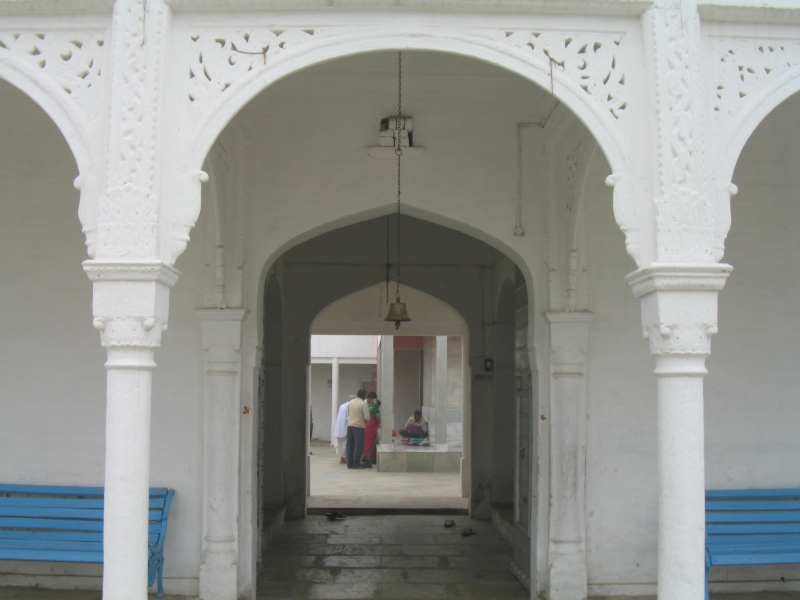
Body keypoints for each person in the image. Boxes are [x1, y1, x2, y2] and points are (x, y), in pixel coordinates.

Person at [346, 389, 370, 469]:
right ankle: (356, 463)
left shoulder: (351, 402)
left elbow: (349, 413)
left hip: (350, 426)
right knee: (358, 446)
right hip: (359, 426)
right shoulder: (363, 404)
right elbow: (367, 417)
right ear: (364, 395)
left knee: (350, 446)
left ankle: (350, 464)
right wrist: (365, 421)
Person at [360, 392, 381, 468]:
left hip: (365, 427)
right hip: (372, 429)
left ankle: (363, 458)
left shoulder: (367, 407)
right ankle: (370, 459)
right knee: (371, 443)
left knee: (365, 442)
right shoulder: (376, 410)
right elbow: (378, 420)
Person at [334, 395, 354, 464]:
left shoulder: (342, 405)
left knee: (340, 444)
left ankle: (341, 457)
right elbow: (348, 417)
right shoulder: (349, 406)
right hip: (345, 427)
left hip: (339, 426)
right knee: (345, 443)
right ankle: (343, 458)